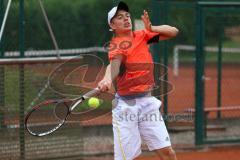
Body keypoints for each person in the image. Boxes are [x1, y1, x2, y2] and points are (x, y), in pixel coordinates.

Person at [98, 1, 178, 160]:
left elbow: (173, 31)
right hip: (126, 108)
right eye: (120, 17)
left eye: (127, 15)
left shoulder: (142, 36)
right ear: (112, 25)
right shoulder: (116, 45)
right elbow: (113, 65)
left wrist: (152, 28)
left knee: (168, 154)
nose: (126, 19)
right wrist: (106, 79)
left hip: (147, 103)